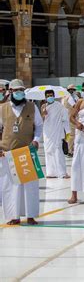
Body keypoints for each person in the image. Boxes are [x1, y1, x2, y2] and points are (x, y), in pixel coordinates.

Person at [0, 79, 43, 225]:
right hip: (8, 152)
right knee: (10, 186)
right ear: (10, 91)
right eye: (16, 90)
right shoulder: (2, 108)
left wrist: (36, 140)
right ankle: (14, 216)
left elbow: (39, 126)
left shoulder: (32, 107)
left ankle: (30, 215)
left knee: (29, 184)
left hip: (27, 150)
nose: (19, 93)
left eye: (21, 90)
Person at [41, 90, 70, 179]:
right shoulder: (43, 106)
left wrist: (67, 131)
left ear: (54, 96)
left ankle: (62, 173)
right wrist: (43, 113)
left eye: (51, 95)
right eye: (48, 96)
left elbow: (65, 118)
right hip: (47, 132)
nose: (50, 97)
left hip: (57, 131)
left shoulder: (59, 106)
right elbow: (41, 120)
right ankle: (51, 172)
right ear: (45, 97)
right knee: (48, 151)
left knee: (58, 151)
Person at [62, 84, 79, 157]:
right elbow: (75, 106)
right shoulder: (70, 98)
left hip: (67, 118)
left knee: (69, 134)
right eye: (72, 90)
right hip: (71, 118)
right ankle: (70, 151)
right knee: (72, 135)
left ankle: (70, 150)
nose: (73, 91)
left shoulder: (65, 97)